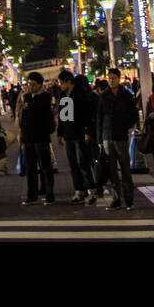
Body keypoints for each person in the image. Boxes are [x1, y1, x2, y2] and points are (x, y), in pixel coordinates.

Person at [96, 66, 139, 211]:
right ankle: (116, 198)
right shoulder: (103, 96)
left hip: (120, 135)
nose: (111, 81)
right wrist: (99, 139)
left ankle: (128, 199)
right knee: (111, 169)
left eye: (113, 78)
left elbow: (133, 114)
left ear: (119, 79)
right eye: (109, 78)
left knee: (125, 168)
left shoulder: (126, 95)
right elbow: (99, 119)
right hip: (107, 135)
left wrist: (126, 126)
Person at [56, 70, 95, 205]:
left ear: (69, 82)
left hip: (79, 132)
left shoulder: (79, 94)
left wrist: (86, 131)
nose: (60, 85)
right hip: (68, 134)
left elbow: (85, 115)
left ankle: (91, 189)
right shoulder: (63, 95)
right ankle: (79, 190)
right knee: (73, 163)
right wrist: (60, 132)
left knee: (82, 162)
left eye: (62, 83)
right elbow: (62, 116)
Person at [20, 72, 55, 206]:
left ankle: (49, 193)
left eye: (33, 84)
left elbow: (41, 110)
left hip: (41, 136)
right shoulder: (27, 97)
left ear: (40, 84)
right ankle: (32, 194)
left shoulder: (45, 96)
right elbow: (24, 115)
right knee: (31, 167)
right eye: (29, 84)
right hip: (28, 136)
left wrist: (30, 105)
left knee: (45, 166)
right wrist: (22, 135)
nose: (30, 86)